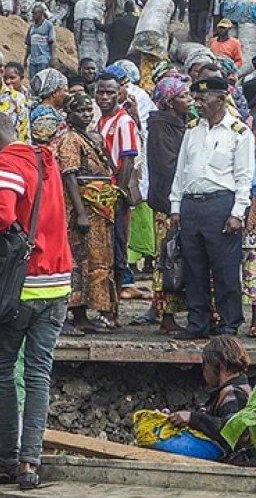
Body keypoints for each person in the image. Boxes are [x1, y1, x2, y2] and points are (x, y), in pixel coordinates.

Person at [0, 112, 71, 491]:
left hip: (20, 285)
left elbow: (0, 216)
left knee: (0, 370)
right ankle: (31, 461)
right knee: (38, 373)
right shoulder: (45, 158)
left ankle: (7, 458)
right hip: (58, 283)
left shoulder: (4, 163)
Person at [170, 76, 254, 339]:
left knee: (225, 267)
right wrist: (175, 206)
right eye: (195, 99)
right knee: (194, 267)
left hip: (221, 204)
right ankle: (198, 323)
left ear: (221, 99)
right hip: (192, 205)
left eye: (203, 99)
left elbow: (244, 177)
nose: (198, 104)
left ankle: (229, 324)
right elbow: (181, 171)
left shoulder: (239, 133)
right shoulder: (193, 130)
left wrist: (237, 213)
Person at [54, 92, 120, 335]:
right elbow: (69, 175)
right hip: (83, 210)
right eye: (79, 111)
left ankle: (85, 316)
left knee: (96, 261)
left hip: (99, 210)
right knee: (79, 260)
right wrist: (80, 213)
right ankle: (74, 314)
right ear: (69, 115)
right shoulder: (70, 139)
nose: (85, 114)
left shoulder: (90, 138)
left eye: (87, 110)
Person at [141, 73, 191, 334]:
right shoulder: (161, 127)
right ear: (170, 102)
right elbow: (168, 165)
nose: (190, 100)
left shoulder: (177, 123)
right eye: (183, 96)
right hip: (166, 202)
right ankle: (165, 316)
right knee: (168, 256)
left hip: (176, 199)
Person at [164, 336, 253, 464]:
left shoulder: (234, 393)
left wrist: (192, 418)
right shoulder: (231, 390)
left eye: (205, 365)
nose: (204, 371)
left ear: (220, 366)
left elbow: (232, 432)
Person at [94, 72, 139, 309]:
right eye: (101, 92)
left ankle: (113, 309)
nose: (104, 97)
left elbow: (128, 161)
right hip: (99, 195)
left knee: (118, 248)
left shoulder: (124, 122)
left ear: (118, 94)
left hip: (113, 194)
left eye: (110, 92)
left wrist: (118, 195)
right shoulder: (99, 121)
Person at [24, 5, 56, 79]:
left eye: (35, 13)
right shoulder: (31, 27)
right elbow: (29, 45)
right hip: (33, 60)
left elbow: (52, 43)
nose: (33, 15)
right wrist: (25, 59)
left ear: (41, 14)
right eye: (32, 13)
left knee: (42, 80)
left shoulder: (48, 25)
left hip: (43, 59)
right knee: (33, 81)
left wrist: (52, 58)